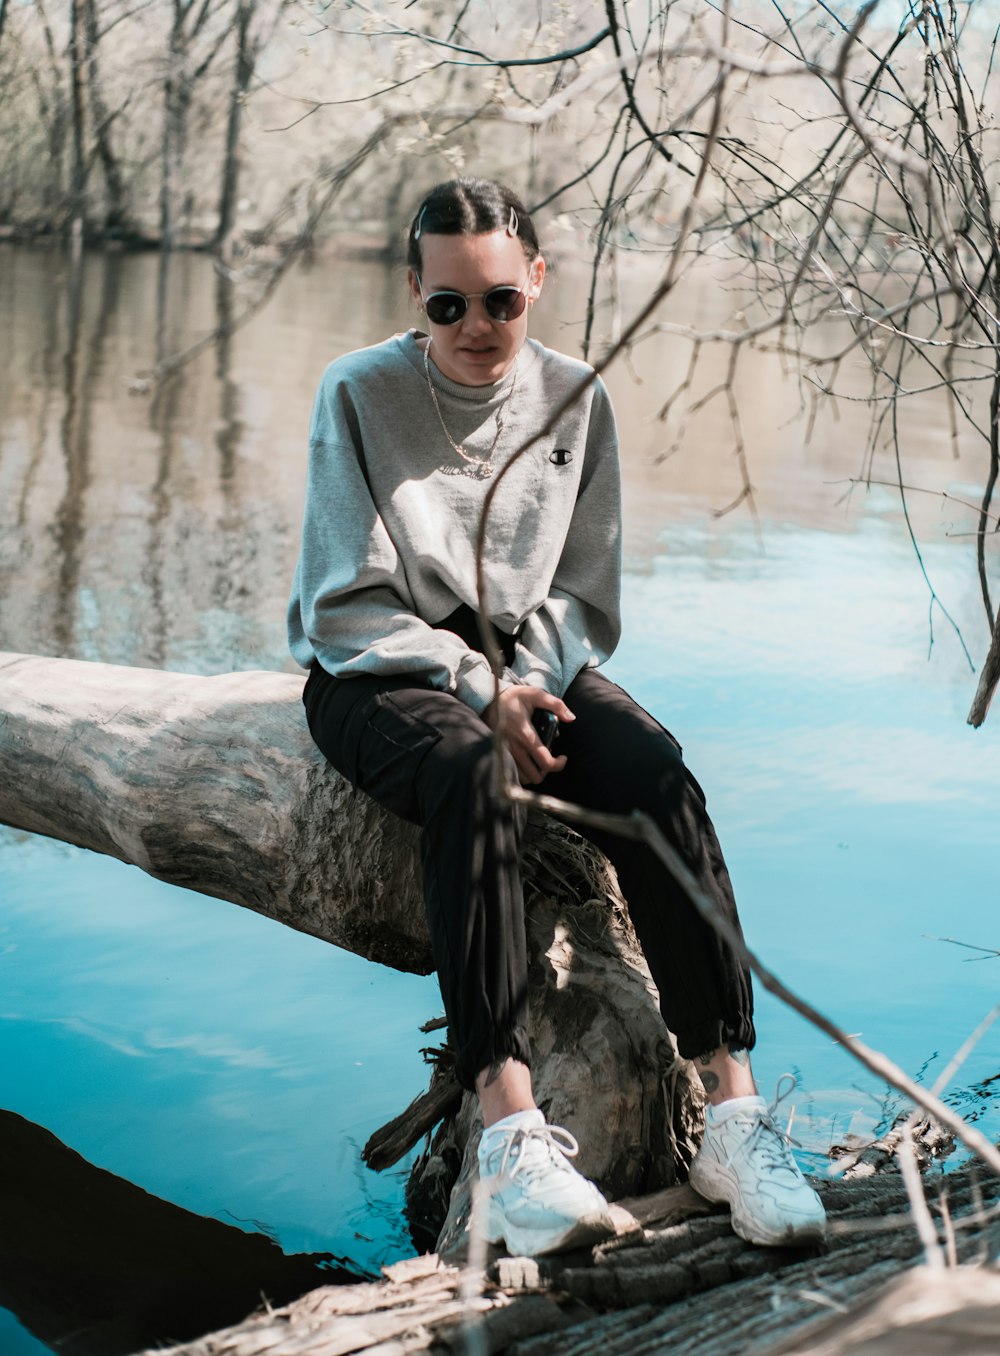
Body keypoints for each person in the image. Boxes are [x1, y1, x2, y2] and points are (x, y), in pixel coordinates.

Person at [287, 177, 826, 1257]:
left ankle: (730, 1115)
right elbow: (340, 601)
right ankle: (509, 1134)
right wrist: (484, 696)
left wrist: (526, 678)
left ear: (535, 280)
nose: (475, 327)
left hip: (533, 660)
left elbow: (584, 592)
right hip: (378, 669)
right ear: (414, 292)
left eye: (498, 300)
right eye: (448, 305)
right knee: (470, 778)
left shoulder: (576, 397)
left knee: (660, 773)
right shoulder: (357, 392)